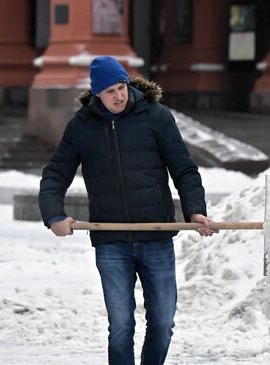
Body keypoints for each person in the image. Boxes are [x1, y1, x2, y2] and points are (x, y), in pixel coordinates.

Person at [38, 55, 217, 365]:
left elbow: (184, 169)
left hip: (156, 237)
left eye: (121, 87)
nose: (118, 96)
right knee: (121, 326)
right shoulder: (81, 126)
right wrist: (54, 215)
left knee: (162, 323)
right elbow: (55, 173)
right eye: (110, 91)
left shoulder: (156, 116)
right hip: (111, 242)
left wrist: (195, 210)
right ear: (97, 94)